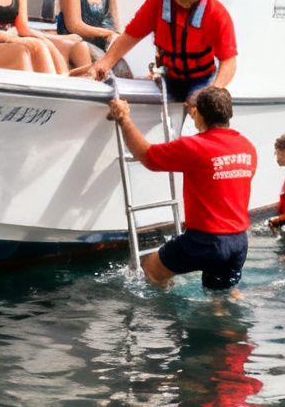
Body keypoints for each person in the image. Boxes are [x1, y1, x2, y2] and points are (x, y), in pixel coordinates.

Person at [107, 85, 256, 291]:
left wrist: (124, 119)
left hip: (205, 240)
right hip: (239, 241)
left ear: (199, 114)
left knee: (151, 269)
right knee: (221, 300)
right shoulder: (247, 148)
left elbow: (147, 156)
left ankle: (171, 320)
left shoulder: (195, 147)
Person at [79, 0, 237, 101]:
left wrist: (213, 90)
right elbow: (130, 36)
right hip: (170, 76)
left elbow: (229, 61)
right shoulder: (158, 3)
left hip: (202, 79)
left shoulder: (216, 13)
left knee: (201, 102)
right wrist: (105, 64)